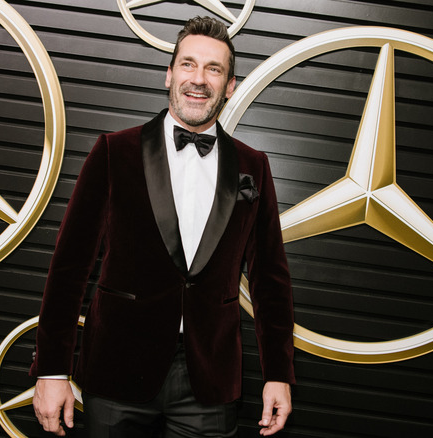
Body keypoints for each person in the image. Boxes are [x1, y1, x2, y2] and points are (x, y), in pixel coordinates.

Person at [31, 16, 295, 437]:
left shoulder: (254, 167)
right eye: (188, 64)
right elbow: (69, 267)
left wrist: (278, 373)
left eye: (213, 69)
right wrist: (51, 370)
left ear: (229, 86)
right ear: (169, 74)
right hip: (116, 369)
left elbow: (271, 281)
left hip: (209, 380)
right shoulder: (113, 151)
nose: (199, 79)